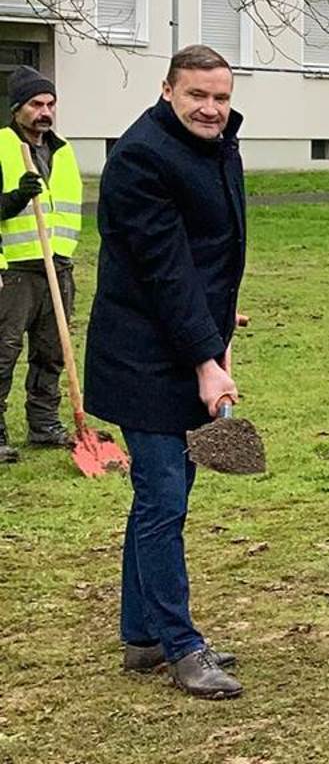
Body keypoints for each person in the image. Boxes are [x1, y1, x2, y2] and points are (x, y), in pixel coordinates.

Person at [85, 46, 247, 700]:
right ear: (167, 91)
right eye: (196, 96)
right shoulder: (141, 159)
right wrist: (205, 361)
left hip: (188, 341)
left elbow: (215, 250)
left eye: (221, 97)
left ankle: (143, 635)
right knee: (164, 501)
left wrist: (220, 337)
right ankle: (182, 648)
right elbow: (167, 270)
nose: (211, 109)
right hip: (142, 358)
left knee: (161, 496)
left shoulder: (216, 144)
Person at [0, 67, 81, 462]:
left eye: (50, 104)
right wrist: (15, 197)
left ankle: (44, 424)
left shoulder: (63, 151)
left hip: (57, 267)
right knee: (3, 352)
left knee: (51, 352)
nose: (44, 112)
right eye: (36, 104)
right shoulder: (0, 146)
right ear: (17, 109)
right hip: (12, 270)